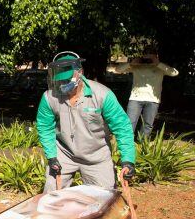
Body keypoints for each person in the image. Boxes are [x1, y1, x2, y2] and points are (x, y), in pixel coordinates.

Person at [36, 51, 136, 192]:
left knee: (104, 199)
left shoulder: (102, 95)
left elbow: (122, 127)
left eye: (67, 79)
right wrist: (52, 156)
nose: (63, 84)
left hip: (97, 157)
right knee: (51, 196)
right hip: (64, 154)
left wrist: (128, 160)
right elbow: (44, 127)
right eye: (60, 80)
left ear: (80, 72)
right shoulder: (49, 97)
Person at [111, 52, 179, 138]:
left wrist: (158, 63)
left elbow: (174, 73)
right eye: (146, 56)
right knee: (129, 122)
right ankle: (126, 143)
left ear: (156, 56)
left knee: (148, 124)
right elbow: (118, 70)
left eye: (151, 56)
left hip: (153, 99)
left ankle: (142, 144)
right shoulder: (136, 66)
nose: (148, 59)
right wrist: (130, 63)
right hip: (135, 99)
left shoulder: (160, 68)